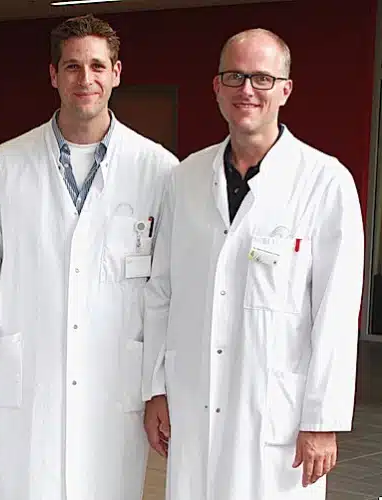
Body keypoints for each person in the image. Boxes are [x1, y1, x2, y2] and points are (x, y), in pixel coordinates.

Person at [142, 28, 364, 500]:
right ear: (216, 88)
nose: (247, 90)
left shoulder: (325, 183)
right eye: (235, 76)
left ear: (286, 89)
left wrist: (322, 420)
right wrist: (156, 387)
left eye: (262, 78)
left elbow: (337, 312)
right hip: (193, 400)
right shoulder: (184, 179)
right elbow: (161, 291)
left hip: (276, 416)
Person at [0, 13, 178, 500]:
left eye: (96, 66)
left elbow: (166, 290)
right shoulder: (5, 165)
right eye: (71, 67)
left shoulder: (159, 169)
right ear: (53, 75)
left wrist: (160, 384)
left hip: (115, 380)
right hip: (30, 381)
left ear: (116, 72)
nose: (84, 79)